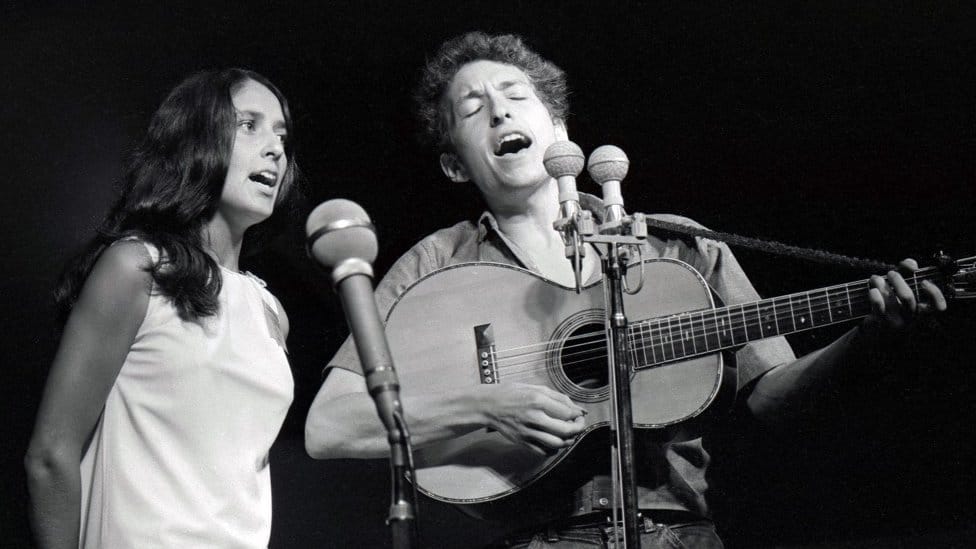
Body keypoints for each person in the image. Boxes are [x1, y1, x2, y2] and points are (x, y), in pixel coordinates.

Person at [304, 32, 946, 548]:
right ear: (453, 162)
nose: (498, 109)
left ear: (557, 126)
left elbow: (771, 399)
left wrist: (867, 332)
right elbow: (330, 425)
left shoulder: (677, 247)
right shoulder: (436, 265)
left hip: (681, 534)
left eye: (515, 95)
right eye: (471, 109)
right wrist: (482, 407)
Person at [24, 68, 300, 549]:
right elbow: (51, 455)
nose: (275, 147)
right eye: (249, 125)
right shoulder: (138, 268)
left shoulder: (269, 309)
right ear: (196, 140)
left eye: (281, 133)